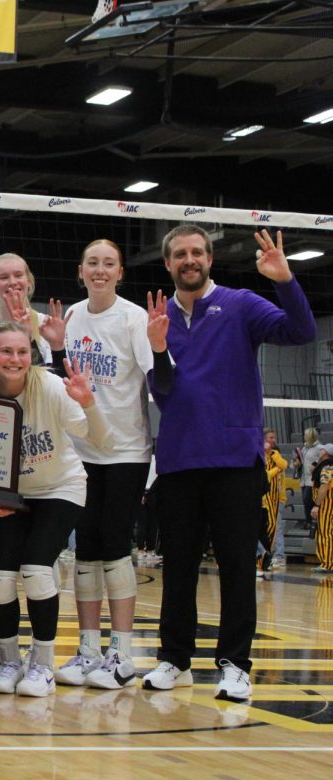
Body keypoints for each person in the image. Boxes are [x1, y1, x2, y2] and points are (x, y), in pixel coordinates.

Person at [143, 226, 315, 703]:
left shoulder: (241, 304)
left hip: (235, 460)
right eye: (180, 254)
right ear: (169, 264)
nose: (189, 259)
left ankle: (236, 664)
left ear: (210, 258)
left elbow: (302, 331)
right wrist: (158, 348)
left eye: (197, 251)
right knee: (178, 566)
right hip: (178, 462)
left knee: (238, 565)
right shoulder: (159, 318)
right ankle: (174, 659)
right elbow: (164, 393)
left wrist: (284, 281)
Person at [0, 323, 109, 697]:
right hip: (12, 496)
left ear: (31, 355)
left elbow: (100, 438)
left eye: (22, 351)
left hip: (60, 488)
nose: (15, 359)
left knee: (37, 569)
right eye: (6, 351)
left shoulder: (50, 387)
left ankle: (42, 666)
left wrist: (88, 402)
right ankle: (8, 660)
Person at [54, 239, 154, 690]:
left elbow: (157, 377)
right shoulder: (71, 317)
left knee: (115, 544)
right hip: (82, 450)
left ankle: (123, 653)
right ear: (81, 270)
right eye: (92, 262)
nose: (100, 270)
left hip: (126, 450)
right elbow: (62, 381)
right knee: (86, 548)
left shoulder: (133, 317)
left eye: (108, 263)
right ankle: (89, 649)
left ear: (119, 272)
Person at [259, 429, 289, 578]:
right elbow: (265, 476)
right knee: (268, 528)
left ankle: (276, 555)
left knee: (275, 527)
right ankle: (268, 555)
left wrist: (274, 456)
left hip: (278, 499)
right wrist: (275, 470)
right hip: (265, 499)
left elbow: (284, 464)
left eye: (274, 437)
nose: (273, 440)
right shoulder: (260, 456)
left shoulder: (275, 455)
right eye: (271, 437)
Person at [296, 427, 322, 534]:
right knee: (305, 501)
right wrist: (297, 463)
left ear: (310, 436)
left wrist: (315, 465)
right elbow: (302, 461)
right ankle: (309, 522)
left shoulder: (319, 447)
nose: (304, 437)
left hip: (312, 480)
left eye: (305, 435)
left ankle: (313, 521)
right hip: (303, 479)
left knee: (308, 499)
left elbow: (323, 459)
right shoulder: (304, 448)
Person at [312, 444, 333, 573]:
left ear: (325, 453)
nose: (319, 451)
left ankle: (328, 563)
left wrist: (317, 505)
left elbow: (324, 486)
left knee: (326, 534)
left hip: (327, 505)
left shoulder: (326, 467)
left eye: (321, 450)